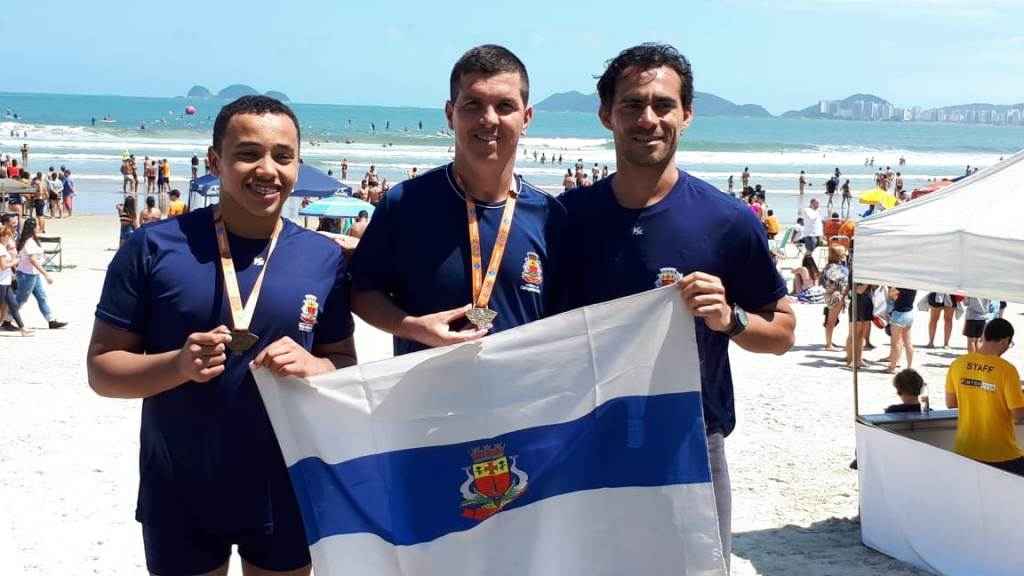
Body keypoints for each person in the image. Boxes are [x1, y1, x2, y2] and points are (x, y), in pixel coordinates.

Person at [87, 95, 357, 576]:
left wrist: (316, 367)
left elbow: (343, 362)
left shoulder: (323, 258)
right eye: (248, 153)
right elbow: (103, 371)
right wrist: (175, 366)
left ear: (298, 164)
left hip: (287, 482)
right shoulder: (153, 248)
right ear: (216, 162)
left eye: (283, 155)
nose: (267, 169)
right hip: (180, 485)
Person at [558, 43, 794, 568]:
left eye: (663, 105)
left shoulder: (727, 220)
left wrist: (730, 318)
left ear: (686, 114)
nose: (648, 119)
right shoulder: (567, 218)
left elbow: (782, 332)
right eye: (632, 105)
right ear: (606, 115)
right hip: (587, 438)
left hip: (690, 444)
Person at [350, 44, 564, 356]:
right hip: (425, 399)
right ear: (450, 114)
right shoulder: (405, 203)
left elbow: (567, 319)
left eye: (505, 106)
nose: (488, 119)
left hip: (518, 400)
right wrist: (411, 326)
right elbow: (362, 292)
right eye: (473, 105)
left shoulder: (550, 216)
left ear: (526, 117)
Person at [945, 318, 1024, 476]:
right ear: (1005, 340)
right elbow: (1019, 415)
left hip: (965, 450)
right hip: (1000, 454)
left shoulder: (957, 364)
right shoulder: (1007, 370)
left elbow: (951, 402)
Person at [14, 218, 66, 329]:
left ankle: (51, 320)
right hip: (26, 274)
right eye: (37, 225)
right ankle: (7, 319)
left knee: (42, 297)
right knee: (21, 299)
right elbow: (33, 260)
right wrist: (46, 274)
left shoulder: (34, 240)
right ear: (32, 228)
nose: (39, 227)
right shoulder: (29, 242)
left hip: (33, 274)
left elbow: (37, 256)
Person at [0, 219, 30, 335]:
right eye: (7, 236)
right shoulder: (1, 248)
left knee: (13, 305)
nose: (9, 239)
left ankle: (23, 329)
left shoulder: (3, 248)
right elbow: (3, 266)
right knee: (2, 307)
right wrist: (15, 261)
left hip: (5, 281)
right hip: (1, 282)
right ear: (2, 237)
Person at [820, 246, 849, 351]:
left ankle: (829, 342)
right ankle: (828, 344)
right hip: (836, 296)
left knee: (831, 320)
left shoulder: (830, 266)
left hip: (833, 295)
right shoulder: (834, 268)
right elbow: (836, 282)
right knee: (831, 320)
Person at [886, 287, 917, 373]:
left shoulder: (901, 285)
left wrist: (892, 290)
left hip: (899, 314)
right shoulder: (914, 286)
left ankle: (892, 367)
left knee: (895, 342)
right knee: (908, 342)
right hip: (909, 313)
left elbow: (890, 294)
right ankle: (910, 366)